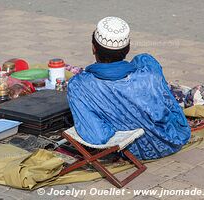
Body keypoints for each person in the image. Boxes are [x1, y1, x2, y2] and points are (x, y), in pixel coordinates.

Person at [67, 16, 191, 160]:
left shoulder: (79, 85)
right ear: (128, 48)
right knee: (144, 59)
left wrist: (116, 120)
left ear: (94, 48)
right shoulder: (149, 72)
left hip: (133, 152)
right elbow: (169, 104)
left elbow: (97, 136)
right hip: (173, 139)